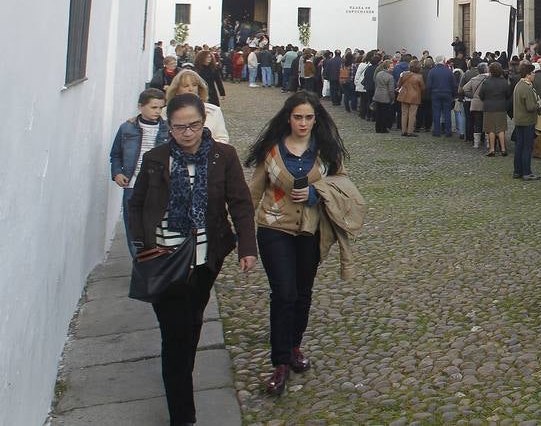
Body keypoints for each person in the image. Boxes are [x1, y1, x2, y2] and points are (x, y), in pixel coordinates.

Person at [128, 93, 258, 426]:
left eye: (194, 125)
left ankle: (181, 382)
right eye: (179, 127)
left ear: (204, 122)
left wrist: (247, 247)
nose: (187, 133)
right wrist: (143, 247)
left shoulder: (222, 156)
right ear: (169, 126)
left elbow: (240, 203)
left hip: (205, 259)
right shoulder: (157, 158)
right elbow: (137, 204)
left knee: (192, 323)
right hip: (165, 261)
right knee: (174, 336)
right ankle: (182, 415)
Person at [245, 92, 357, 395]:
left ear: (315, 119)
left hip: (311, 230)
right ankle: (280, 362)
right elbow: (254, 192)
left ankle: (294, 345)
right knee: (284, 293)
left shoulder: (327, 151)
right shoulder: (272, 151)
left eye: (309, 117)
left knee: (303, 292)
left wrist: (314, 194)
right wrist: (241, 235)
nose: (303, 123)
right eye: (298, 117)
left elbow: (342, 185)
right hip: (273, 227)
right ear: (288, 118)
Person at [109, 88, 168, 252]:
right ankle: (139, 264)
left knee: (155, 226)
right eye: (153, 107)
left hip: (158, 186)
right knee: (133, 226)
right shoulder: (127, 128)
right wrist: (117, 173)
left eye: (161, 108)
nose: (157, 111)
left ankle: (154, 263)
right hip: (133, 185)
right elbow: (116, 154)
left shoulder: (167, 130)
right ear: (141, 107)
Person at [166, 69, 230, 144]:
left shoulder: (214, 111)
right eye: (186, 86)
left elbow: (222, 139)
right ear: (176, 90)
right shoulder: (166, 112)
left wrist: (202, 148)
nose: (191, 89)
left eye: (194, 85)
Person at [511, 63, 541, 180]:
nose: (534, 75)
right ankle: (526, 172)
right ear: (528, 74)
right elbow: (530, 107)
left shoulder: (519, 85)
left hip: (519, 120)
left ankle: (517, 171)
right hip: (527, 121)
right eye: (533, 73)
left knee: (519, 147)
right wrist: (539, 103)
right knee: (527, 148)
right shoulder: (526, 87)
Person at [477, 62, 512, 157]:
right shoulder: (504, 82)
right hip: (501, 107)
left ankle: (492, 149)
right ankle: (503, 149)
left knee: (490, 129)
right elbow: (508, 95)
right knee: (501, 129)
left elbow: (481, 95)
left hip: (489, 107)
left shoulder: (486, 82)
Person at [426, 56, 457, 137]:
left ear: (436, 62)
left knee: (436, 113)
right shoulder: (449, 71)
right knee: (447, 113)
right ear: (444, 61)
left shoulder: (432, 71)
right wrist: (454, 94)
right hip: (447, 93)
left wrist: (429, 94)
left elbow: (428, 85)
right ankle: (448, 131)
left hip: (435, 93)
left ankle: (437, 131)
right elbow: (453, 84)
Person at [396, 58, 425, 137]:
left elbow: (399, 84)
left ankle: (403, 131)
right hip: (414, 96)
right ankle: (410, 131)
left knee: (404, 113)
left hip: (404, 95)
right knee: (412, 114)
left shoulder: (404, 74)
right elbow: (422, 88)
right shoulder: (419, 77)